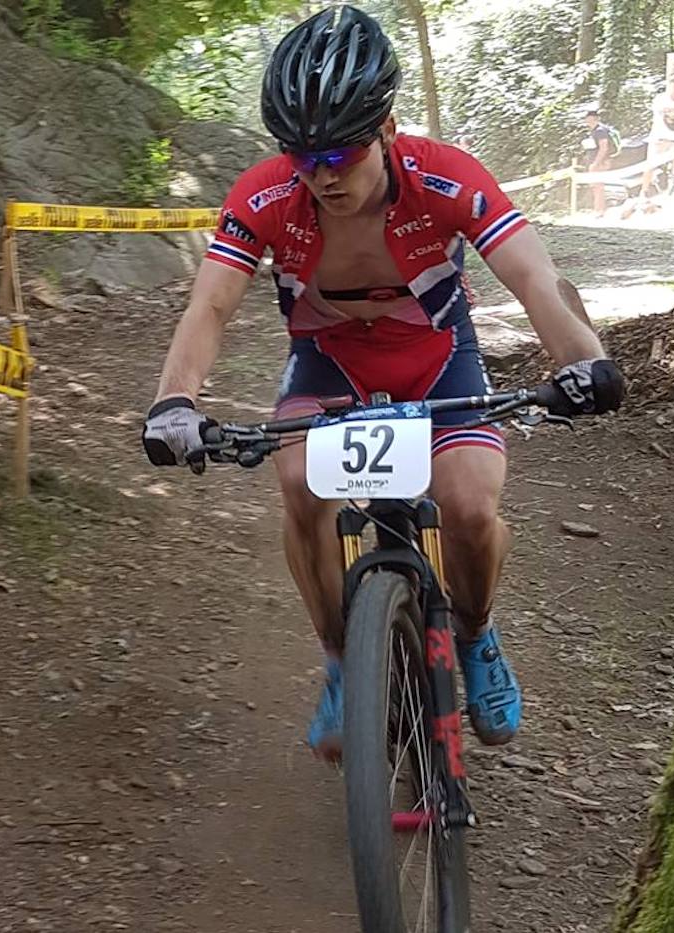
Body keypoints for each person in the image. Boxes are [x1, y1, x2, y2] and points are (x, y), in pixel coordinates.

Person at [141, 5, 625, 760]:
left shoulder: (445, 175)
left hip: (437, 359)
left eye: (342, 154)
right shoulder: (266, 195)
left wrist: (581, 359)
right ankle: (342, 661)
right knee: (300, 485)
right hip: (330, 365)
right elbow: (209, 304)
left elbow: (534, 275)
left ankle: (476, 633)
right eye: (303, 157)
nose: (322, 175)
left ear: (388, 129)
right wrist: (175, 401)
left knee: (469, 507)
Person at [641, 73, 674, 199]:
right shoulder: (661, 99)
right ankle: (644, 191)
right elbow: (665, 113)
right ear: (670, 84)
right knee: (650, 165)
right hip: (659, 138)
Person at [580, 110, 620, 216]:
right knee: (596, 186)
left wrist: (595, 163)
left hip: (601, 162)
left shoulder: (600, 131)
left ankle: (599, 210)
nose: (586, 121)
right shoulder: (596, 130)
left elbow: (604, 148)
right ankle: (598, 208)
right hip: (598, 161)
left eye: (588, 118)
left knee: (597, 186)